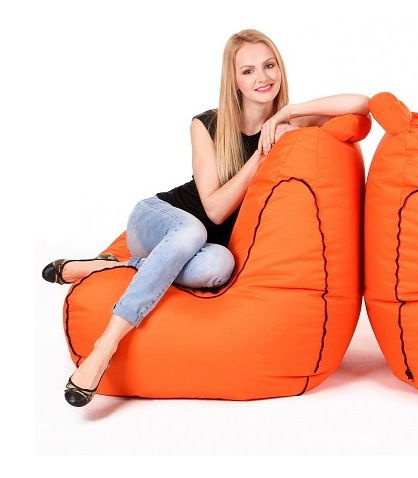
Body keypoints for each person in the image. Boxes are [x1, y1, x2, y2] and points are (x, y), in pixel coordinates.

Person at [42, 29, 369, 407]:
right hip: (160, 219)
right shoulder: (206, 124)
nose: (262, 78)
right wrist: (262, 154)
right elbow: (214, 209)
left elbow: (361, 105)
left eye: (269, 66)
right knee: (192, 231)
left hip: (200, 248)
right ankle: (106, 346)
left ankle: (111, 266)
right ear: (234, 80)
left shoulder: (294, 122)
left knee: (219, 265)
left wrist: (288, 113)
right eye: (248, 71)